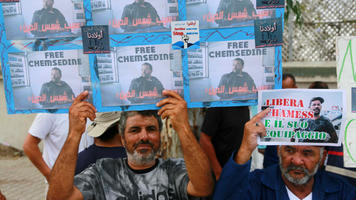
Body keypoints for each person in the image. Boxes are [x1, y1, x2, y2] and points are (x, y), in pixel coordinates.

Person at [47, 90, 214, 200]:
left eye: (151, 129)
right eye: (134, 130)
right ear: (122, 139)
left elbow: (203, 189)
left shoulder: (174, 169)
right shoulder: (102, 172)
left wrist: (182, 127)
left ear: (160, 135)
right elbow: (57, 197)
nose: (144, 136)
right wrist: (74, 134)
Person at [213, 109, 356, 199]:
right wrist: (244, 150)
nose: (297, 160)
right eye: (289, 150)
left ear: (323, 157)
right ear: (278, 150)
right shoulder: (255, 185)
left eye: (307, 153)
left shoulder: (342, 192)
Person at [23, 113, 93, 191]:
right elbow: (29, 146)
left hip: (90, 182)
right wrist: (50, 177)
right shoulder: (49, 112)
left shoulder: (93, 107)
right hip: (61, 185)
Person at [200, 106, 250, 180]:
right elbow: (204, 140)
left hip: (238, 170)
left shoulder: (245, 105)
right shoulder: (217, 106)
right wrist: (217, 171)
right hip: (220, 170)